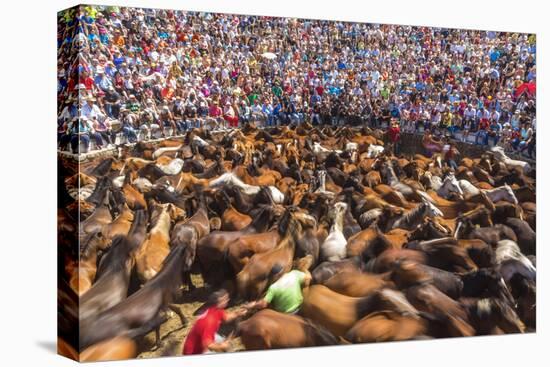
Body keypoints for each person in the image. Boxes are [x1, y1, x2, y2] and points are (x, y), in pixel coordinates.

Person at [182, 289, 247, 355]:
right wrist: (221, 347)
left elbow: (226, 318)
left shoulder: (216, 310)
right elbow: (208, 344)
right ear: (220, 301)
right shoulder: (210, 321)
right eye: (226, 299)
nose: (228, 300)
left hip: (203, 342)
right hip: (195, 353)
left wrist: (237, 313)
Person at [244, 263, 312, 314]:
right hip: (300, 308)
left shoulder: (273, 287)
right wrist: (305, 270)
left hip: (286, 315)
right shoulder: (294, 274)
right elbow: (309, 277)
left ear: (274, 276)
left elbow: (263, 304)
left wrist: (252, 305)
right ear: (283, 271)